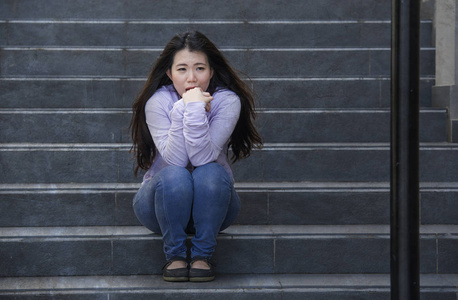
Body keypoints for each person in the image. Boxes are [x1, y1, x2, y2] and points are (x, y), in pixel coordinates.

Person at [129, 31, 262, 282]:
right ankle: (176, 256)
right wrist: (186, 107)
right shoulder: (157, 102)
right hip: (159, 206)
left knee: (210, 171)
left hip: (215, 206)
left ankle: (202, 255)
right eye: (182, 69)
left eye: (200, 68)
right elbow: (176, 161)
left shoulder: (227, 101)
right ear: (169, 73)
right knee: (175, 175)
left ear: (211, 71)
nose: (192, 78)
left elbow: (202, 158)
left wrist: (193, 108)